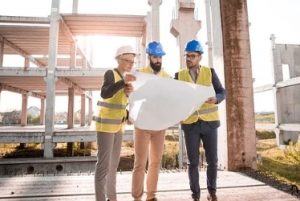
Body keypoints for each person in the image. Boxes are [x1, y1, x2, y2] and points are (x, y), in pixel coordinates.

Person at [175, 40, 225, 201]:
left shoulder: (210, 72)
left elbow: (222, 92)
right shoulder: (179, 75)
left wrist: (216, 99)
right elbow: (173, 97)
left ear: (200, 57)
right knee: (193, 162)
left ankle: (212, 191)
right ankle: (195, 195)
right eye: (187, 56)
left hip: (209, 123)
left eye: (192, 56)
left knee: (212, 161)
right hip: (190, 125)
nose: (189, 59)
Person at [94, 45, 137, 201]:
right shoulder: (111, 73)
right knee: (103, 167)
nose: (131, 64)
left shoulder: (126, 79)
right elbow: (105, 93)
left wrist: (127, 93)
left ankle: (112, 198)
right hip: (105, 126)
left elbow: (120, 104)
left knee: (113, 167)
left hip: (119, 127)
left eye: (132, 62)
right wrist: (122, 84)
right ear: (119, 59)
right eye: (127, 61)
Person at [131, 41, 170, 201]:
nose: (158, 60)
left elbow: (171, 100)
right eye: (155, 57)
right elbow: (133, 98)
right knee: (140, 163)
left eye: (160, 57)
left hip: (160, 126)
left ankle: (151, 196)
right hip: (143, 125)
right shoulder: (139, 74)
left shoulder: (167, 77)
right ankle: (137, 197)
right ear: (149, 57)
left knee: (155, 162)